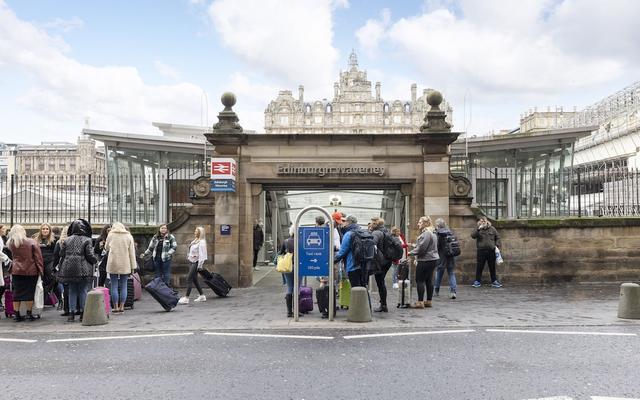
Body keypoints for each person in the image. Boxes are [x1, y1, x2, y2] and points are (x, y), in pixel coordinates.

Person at [58, 220, 97, 322]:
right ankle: (83, 314)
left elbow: (61, 254)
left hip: (69, 268)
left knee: (72, 291)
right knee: (83, 290)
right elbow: (89, 255)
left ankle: (71, 314)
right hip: (83, 268)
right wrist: (95, 261)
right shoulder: (87, 240)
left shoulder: (67, 240)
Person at [6, 224, 44, 321]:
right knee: (29, 293)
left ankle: (17, 314)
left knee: (17, 293)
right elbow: (38, 258)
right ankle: (29, 314)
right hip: (30, 271)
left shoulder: (10, 243)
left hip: (16, 271)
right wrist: (40, 270)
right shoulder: (31, 242)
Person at [408, 216, 439, 309]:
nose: (418, 224)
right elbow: (426, 246)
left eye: (420, 222)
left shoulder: (426, 233)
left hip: (425, 260)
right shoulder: (432, 232)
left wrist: (410, 253)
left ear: (426, 223)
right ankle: (429, 301)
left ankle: (420, 302)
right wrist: (414, 246)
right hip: (432, 259)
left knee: (420, 280)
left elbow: (422, 248)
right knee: (429, 280)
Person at [105, 222, 137, 313]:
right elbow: (132, 253)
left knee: (114, 285)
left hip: (113, 263)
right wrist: (133, 266)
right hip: (125, 263)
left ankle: (115, 307)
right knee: (124, 286)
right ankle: (122, 306)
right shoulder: (128, 236)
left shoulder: (111, 235)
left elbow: (106, 248)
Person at [334, 215, 367, 288]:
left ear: (348, 222)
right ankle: (365, 299)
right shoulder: (362, 232)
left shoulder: (349, 234)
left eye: (345, 221)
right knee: (363, 287)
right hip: (364, 265)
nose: (343, 223)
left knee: (355, 288)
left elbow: (342, 252)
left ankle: (358, 300)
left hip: (353, 266)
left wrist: (332, 261)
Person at [178, 226, 207, 304]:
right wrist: (189, 256)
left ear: (200, 233)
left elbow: (202, 255)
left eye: (196, 231)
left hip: (196, 263)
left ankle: (186, 298)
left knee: (189, 279)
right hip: (191, 261)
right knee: (194, 279)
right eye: (195, 231)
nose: (194, 232)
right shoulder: (196, 240)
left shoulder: (202, 242)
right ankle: (202, 295)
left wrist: (200, 265)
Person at [370, 218, 394, 313]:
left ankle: (383, 305)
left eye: (372, 222)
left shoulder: (377, 233)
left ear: (375, 224)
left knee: (380, 282)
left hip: (381, 261)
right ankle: (383, 303)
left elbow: (372, 243)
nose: (371, 224)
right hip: (388, 260)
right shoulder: (386, 231)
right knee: (381, 282)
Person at [471, 216, 502, 288]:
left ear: (487, 221)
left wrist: (496, 245)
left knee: (492, 267)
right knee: (479, 266)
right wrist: (478, 229)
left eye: (484, 221)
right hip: (481, 251)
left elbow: (498, 237)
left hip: (491, 251)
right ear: (480, 222)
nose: (483, 222)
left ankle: (494, 281)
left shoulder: (492, 229)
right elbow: (473, 236)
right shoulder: (478, 229)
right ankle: (477, 281)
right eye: (481, 221)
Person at [434, 218, 458, 299]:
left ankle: (436, 290)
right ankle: (453, 291)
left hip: (441, 257)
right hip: (450, 256)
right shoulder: (450, 232)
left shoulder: (439, 234)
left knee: (439, 273)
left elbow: (436, 246)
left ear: (438, 225)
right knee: (451, 273)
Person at [52, 225, 69, 313]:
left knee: (65, 287)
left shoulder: (59, 242)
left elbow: (56, 255)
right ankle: (74, 308)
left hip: (62, 266)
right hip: (74, 267)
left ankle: (66, 308)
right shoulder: (74, 241)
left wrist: (54, 267)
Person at [280, 228, 295, 317]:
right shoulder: (301, 242)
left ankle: (289, 312)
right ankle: (296, 310)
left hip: (287, 266)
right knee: (297, 287)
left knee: (289, 287)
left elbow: (280, 253)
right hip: (298, 266)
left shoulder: (285, 242)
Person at [0, 224, 11, 313]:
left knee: (2, 285)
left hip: (2, 264)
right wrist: (6, 258)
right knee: (2, 285)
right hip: (2, 262)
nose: (5, 231)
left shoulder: (2, 238)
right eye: (3, 229)